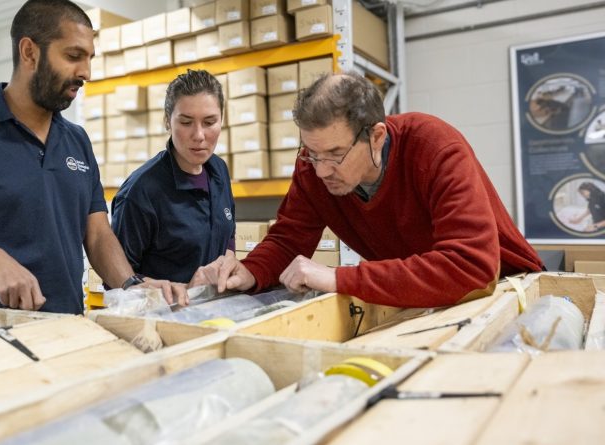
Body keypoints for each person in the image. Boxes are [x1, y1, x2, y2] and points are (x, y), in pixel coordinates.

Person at [0, 0, 185, 314]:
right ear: (29, 52)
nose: (86, 72)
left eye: (89, 59)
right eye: (73, 56)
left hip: (68, 328)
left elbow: (97, 234)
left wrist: (131, 286)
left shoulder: (77, 141)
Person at [191, 72, 544, 308]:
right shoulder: (312, 166)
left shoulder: (435, 148)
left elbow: (471, 267)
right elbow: (288, 240)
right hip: (423, 298)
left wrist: (339, 277)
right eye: (312, 152)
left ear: (376, 137)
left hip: (504, 290)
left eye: (335, 154)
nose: (321, 170)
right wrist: (251, 271)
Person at [111, 70, 236, 283]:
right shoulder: (140, 192)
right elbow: (116, 280)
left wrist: (228, 261)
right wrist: (181, 291)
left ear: (221, 120)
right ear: (167, 122)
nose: (199, 135)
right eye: (186, 122)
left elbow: (228, 235)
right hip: (165, 306)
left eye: (209, 122)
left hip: (218, 303)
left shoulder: (219, 170)